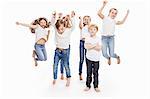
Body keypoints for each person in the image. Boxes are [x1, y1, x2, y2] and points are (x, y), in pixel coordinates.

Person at [97, 0, 129, 65]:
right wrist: (104, 5)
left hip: (111, 38)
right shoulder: (105, 18)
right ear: (109, 13)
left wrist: (127, 14)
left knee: (112, 54)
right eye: (112, 12)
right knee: (104, 54)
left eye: (115, 13)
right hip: (104, 38)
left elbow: (122, 22)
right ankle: (108, 58)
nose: (114, 14)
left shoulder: (114, 21)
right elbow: (98, 13)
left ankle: (117, 57)